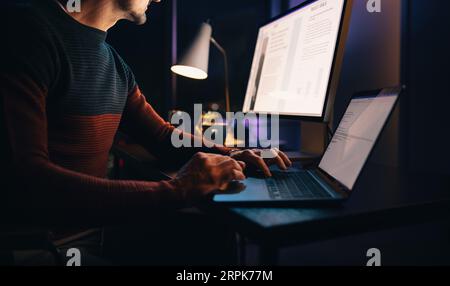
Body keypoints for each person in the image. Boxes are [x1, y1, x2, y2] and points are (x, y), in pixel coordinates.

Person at [0, 0, 291, 265]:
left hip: (92, 233)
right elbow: (31, 179)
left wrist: (230, 153)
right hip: (36, 247)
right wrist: (178, 190)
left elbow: (163, 137)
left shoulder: (114, 64)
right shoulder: (27, 32)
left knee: (213, 239)